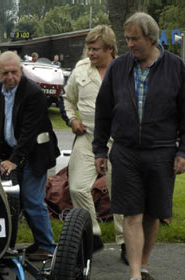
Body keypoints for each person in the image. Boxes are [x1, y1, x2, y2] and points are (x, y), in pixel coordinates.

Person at [93, 12, 185, 280]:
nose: (129, 44)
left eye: (134, 39)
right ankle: (135, 276)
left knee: (154, 214)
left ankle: (145, 266)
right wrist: (100, 149)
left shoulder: (176, 67)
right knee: (131, 213)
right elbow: (103, 112)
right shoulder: (118, 68)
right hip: (125, 151)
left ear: (151, 39)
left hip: (162, 151)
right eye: (126, 38)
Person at [63, 25, 126, 262]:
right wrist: (72, 118)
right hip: (88, 138)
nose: (90, 53)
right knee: (77, 187)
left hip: (118, 142)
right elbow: (68, 100)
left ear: (110, 49)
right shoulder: (80, 69)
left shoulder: (125, 70)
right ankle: (94, 234)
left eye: (95, 49)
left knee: (120, 194)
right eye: (88, 48)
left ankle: (125, 243)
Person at [0, 51, 60, 260]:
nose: (10, 77)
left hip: (36, 153)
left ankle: (48, 246)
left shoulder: (34, 93)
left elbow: (30, 132)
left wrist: (14, 160)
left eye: (14, 72)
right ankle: (38, 242)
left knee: (32, 200)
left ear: (21, 71)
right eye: (5, 73)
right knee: (15, 200)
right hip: (12, 152)